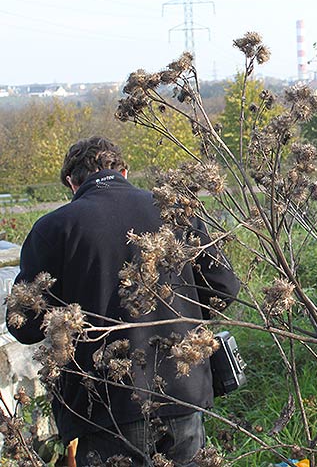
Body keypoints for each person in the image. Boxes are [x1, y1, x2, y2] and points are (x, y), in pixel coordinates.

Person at [7, 136, 241, 466]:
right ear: (125, 172)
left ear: (72, 183)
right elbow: (224, 288)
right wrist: (181, 317)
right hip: (182, 390)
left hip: (103, 405)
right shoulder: (174, 212)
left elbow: (25, 327)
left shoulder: (53, 228)